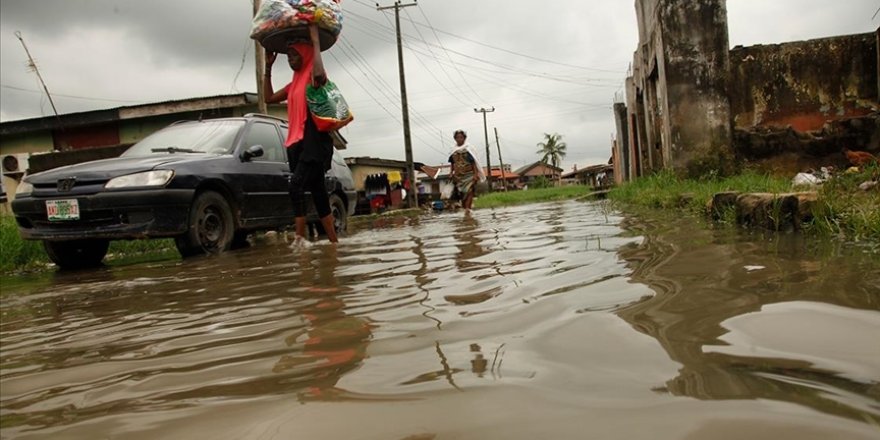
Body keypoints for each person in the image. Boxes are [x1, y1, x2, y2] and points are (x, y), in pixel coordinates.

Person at [264, 24, 337, 245]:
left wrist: (315, 42)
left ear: (305, 55)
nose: (290, 59)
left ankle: (299, 240)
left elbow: (320, 73)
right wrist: (268, 68)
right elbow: (268, 98)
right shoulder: (293, 84)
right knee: (318, 194)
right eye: (289, 57)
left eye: (294, 55)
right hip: (297, 143)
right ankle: (334, 244)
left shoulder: (313, 79)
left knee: (295, 185)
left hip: (314, 144)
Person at [448, 129, 486, 212]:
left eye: (461, 137)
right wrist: (451, 172)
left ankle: (468, 209)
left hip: (469, 174)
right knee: (462, 193)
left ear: (464, 138)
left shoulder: (469, 149)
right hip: (459, 176)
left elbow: (474, 162)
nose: (459, 139)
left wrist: (475, 174)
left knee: (469, 191)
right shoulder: (453, 150)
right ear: (455, 138)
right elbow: (452, 163)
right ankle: (466, 208)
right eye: (457, 137)